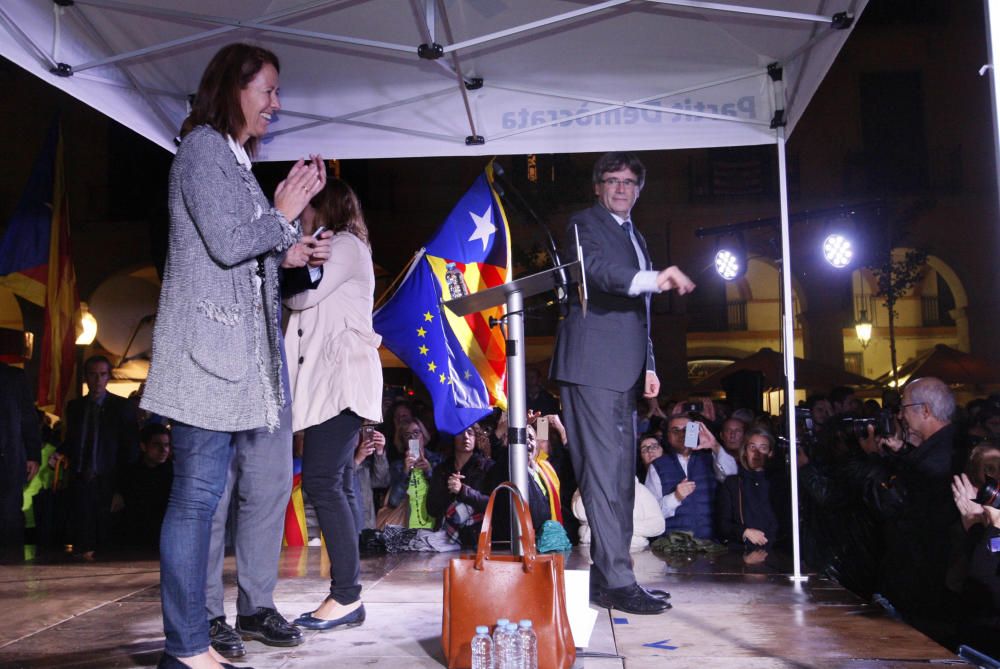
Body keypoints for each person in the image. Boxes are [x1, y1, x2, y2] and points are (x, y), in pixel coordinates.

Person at [140, 42, 329, 669]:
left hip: (231, 359)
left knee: (201, 495)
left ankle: (194, 638)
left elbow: (244, 253)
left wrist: (284, 249)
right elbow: (225, 244)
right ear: (233, 89)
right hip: (205, 356)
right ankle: (187, 644)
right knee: (196, 499)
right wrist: (281, 217)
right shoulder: (200, 150)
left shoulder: (231, 159)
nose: (277, 103)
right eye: (268, 90)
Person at [550, 151, 694, 615]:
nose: (620, 188)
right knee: (603, 476)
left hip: (622, 370)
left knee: (618, 476)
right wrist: (652, 277)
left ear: (639, 189)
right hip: (591, 366)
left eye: (629, 182)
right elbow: (598, 273)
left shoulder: (634, 235)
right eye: (612, 180)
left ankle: (608, 576)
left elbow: (639, 313)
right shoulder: (583, 224)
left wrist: (649, 364)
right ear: (597, 186)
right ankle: (616, 580)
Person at [284, 178, 383, 633]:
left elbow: (301, 295)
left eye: (306, 206)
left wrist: (290, 259)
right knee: (336, 481)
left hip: (339, 378)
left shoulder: (340, 243)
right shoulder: (342, 244)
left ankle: (346, 595)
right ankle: (348, 593)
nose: (301, 214)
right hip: (336, 378)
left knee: (323, 481)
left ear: (323, 208)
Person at [863, 376, 960, 646]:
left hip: (920, 586)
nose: (899, 416)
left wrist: (873, 460)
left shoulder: (933, 461)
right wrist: (901, 452)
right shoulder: (951, 446)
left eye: (904, 408)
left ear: (925, 411)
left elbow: (887, 505)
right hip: (935, 583)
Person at [58, 355, 139, 561]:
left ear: (108, 377)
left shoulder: (122, 407)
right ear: (86, 377)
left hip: (107, 478)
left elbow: (129, 451)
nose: (97, 380)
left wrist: (122, 489)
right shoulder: (76, 407)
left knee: (106, 537)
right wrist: (61, 453)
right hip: (81, 478)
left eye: (102, 375)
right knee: (82, 533)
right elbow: (73, 439)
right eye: (93, 375)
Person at [644, 414, 733, 540]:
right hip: (673, 546)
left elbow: (733, 477)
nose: (682, 434)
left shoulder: (710, 458)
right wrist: (675, 497)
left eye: (687, 430)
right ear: (667, 436)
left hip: (711, 544)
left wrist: (714, 445)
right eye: (675, 430)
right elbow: (651, 514)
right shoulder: (658, 466)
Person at [715, 428, 781, 549]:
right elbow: (722, 524)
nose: (757, 452)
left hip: (775, 555)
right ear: (745, 451)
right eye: (752, 447)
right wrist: (744, 532)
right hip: (741, 554)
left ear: (770, 453)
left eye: (763, 448)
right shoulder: (733, 483)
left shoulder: (778, 484)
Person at [0, 362, 40, 560]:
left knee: (9, 518)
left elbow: (28, 418)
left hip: (8, 459)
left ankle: (11, 569)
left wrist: (33, 454)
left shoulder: (14, 377)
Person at [118, 423, 173, 550]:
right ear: (143, 446)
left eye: (166, 445)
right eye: (156, 444)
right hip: (133, 542)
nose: (164, 450)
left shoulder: (173, 474)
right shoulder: (129, 474)